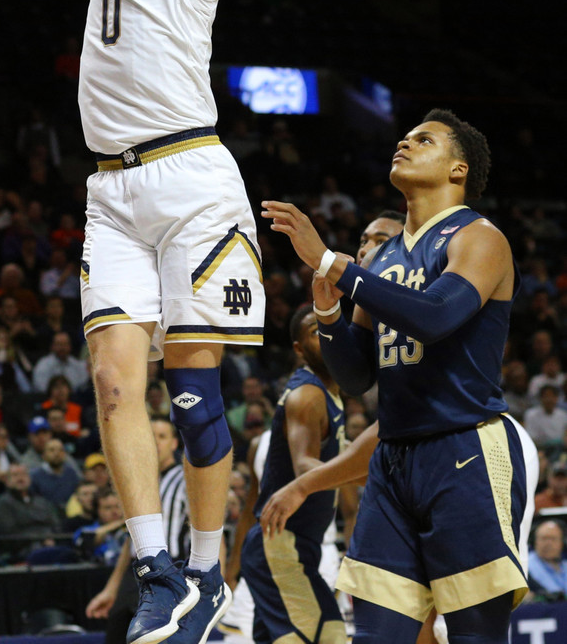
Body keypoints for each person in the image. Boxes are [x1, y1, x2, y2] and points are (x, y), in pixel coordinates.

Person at [51, 0, 265, 644]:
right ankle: (155, 568)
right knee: (110, 382)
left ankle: (210, 570)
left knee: (194, 387)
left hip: (190, 179)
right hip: (112, 192)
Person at [261, 109, 533, 643]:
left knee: (475, 634)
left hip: (464, 451)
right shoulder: (384, 256)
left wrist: (335, 266)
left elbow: (434, 318)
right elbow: (357, 375)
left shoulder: (479, 236)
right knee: (376, 636)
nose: (404, 144)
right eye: (404, 139)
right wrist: (330, 314)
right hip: (392, 463)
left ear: (457, 170)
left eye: (423, 140)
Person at [236, 307, 347, 644]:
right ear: (299, 349)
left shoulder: (330, 391)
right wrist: (381, 476)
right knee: (329, 637)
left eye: (333, 326)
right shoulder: (307, 396)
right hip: (282, 547)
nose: (328, 336)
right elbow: (305, 468)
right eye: (316, 331)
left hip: (296, 547)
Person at [86, 416, 191, 644]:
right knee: (117, 633)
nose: (155, 441)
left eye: (162, 436)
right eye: (150, 436)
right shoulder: (139, 481)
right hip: (134, 572)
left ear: (174, 444)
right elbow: (130, 540)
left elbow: (211, 535)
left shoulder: (185, 479)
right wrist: (111, 589)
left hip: (171, 568)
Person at [526, 519, 567, 600]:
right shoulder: (525, 565)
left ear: (562, 543)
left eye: (553, 539)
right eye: (544, 538)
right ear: (535, 541)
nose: (548, 544)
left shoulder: (564, 565)